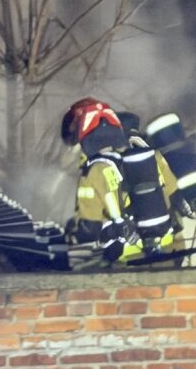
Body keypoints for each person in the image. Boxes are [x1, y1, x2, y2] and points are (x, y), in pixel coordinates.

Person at [60, 98, 178, 263]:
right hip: (166, 248)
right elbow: (174, 195)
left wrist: (68, 240)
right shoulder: (150, 157)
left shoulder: (94, 172)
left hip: (125, 260)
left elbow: (89, 230)